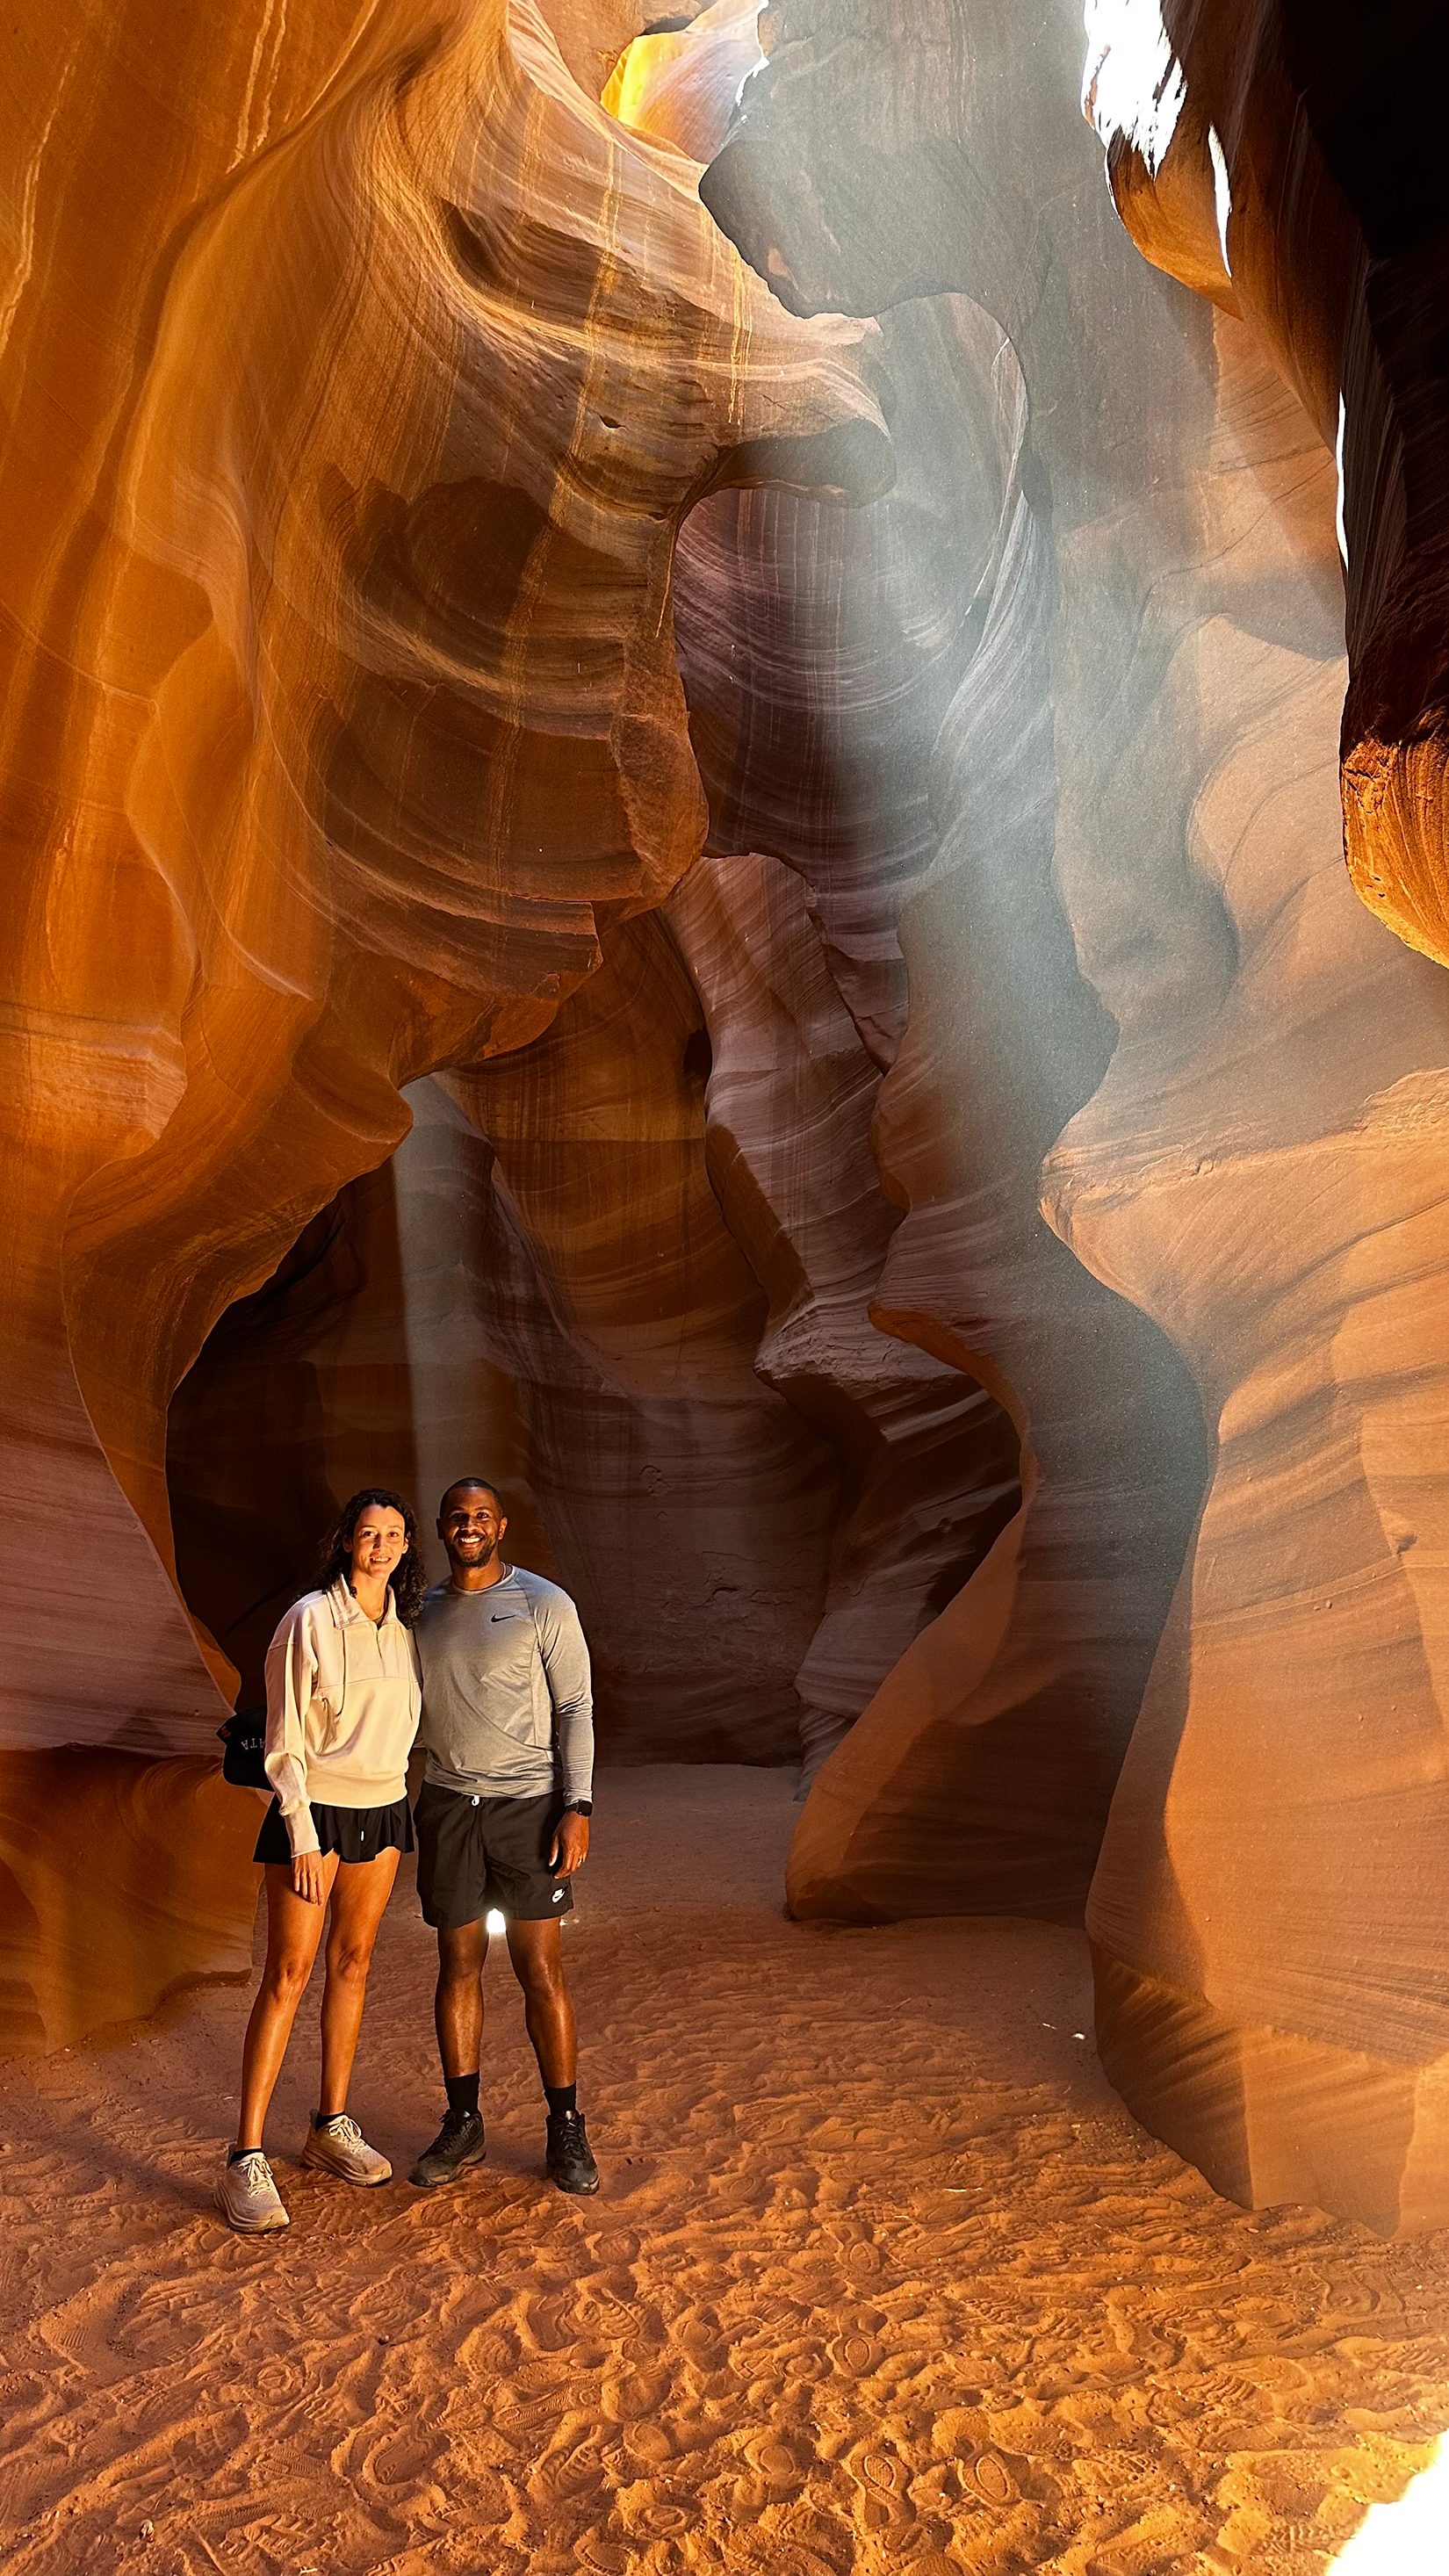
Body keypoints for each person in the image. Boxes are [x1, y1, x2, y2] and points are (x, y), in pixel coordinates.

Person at [216, 1488, 424, 2233]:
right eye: (368, 1533)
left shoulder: (401, 1630)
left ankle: (328, 2126)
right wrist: (301, 1829)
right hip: (316, 1813)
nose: (380, 1544)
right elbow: (283, 1737)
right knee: (289, 1973)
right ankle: (245, 2156)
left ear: (404, 1548)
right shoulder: (308, 1619)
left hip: (384, 1808)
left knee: (356, 1960)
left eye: (393, 1535)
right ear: (346, 1542)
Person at [408, 1477, 598, 2195]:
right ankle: (464, 2122)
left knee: (539, 1969)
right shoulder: (421, 1611)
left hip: (528, 1808)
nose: (468, 1525)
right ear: (439, 1526)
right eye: (457, 1516)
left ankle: (566, 2126)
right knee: (457, 1963)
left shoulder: (543, 1603)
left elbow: (576, 1704)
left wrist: (576, 1804)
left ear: (501, 1526)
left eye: (480, 1516)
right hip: (450, 1803)